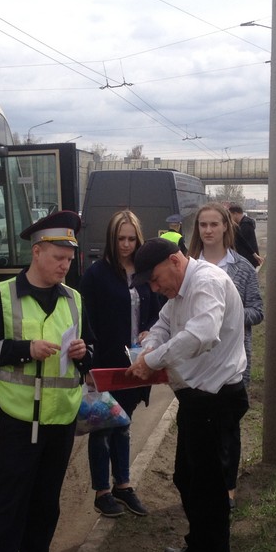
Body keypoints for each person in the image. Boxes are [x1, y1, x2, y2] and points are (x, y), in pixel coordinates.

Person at [0, 210, 90, 552]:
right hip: (20, 420)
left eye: (69, 259)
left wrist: (83, 355)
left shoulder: (73, 299)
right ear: (37, 253)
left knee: (46, 501)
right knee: (8, 503)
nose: (65, 265)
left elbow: (85, 358)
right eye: (58, 256)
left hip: (60, 419)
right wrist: (24, 350)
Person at [126, 238, 248, 552]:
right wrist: (149, 350)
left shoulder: (206, 282)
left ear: (175, 260)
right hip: (197, 401)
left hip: (216, 400)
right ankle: (198, 549)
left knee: (209, 493)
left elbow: (202, 334)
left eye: (155, 278)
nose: (154, 287)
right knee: (187, 478)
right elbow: (163, 326)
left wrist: (154, 360)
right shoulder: (179, 291)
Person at [80, 211, 161, 518]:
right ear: (111, 240)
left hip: (136, 362)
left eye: (131, 239)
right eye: (120, 239)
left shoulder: (144, 273)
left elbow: (157, 311)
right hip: (104, 363)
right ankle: (102, 492)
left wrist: (151, 330)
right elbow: (84, 319)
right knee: (102, 426)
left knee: (124, 424)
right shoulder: (96, 274)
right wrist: (87, 366)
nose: (126, 245)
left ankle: (123, 486)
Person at [188, 202, 263, 508]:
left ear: (225, 228)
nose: (208, 230)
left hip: (233, 363)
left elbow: (258, 311)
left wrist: (225, 316)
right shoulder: (189, 266)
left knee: (229, 429)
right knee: (200, 431)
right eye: (203, 225)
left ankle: (228, 489)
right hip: (198, 364)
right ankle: (202, 486)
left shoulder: (242, 268)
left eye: (213, 225)